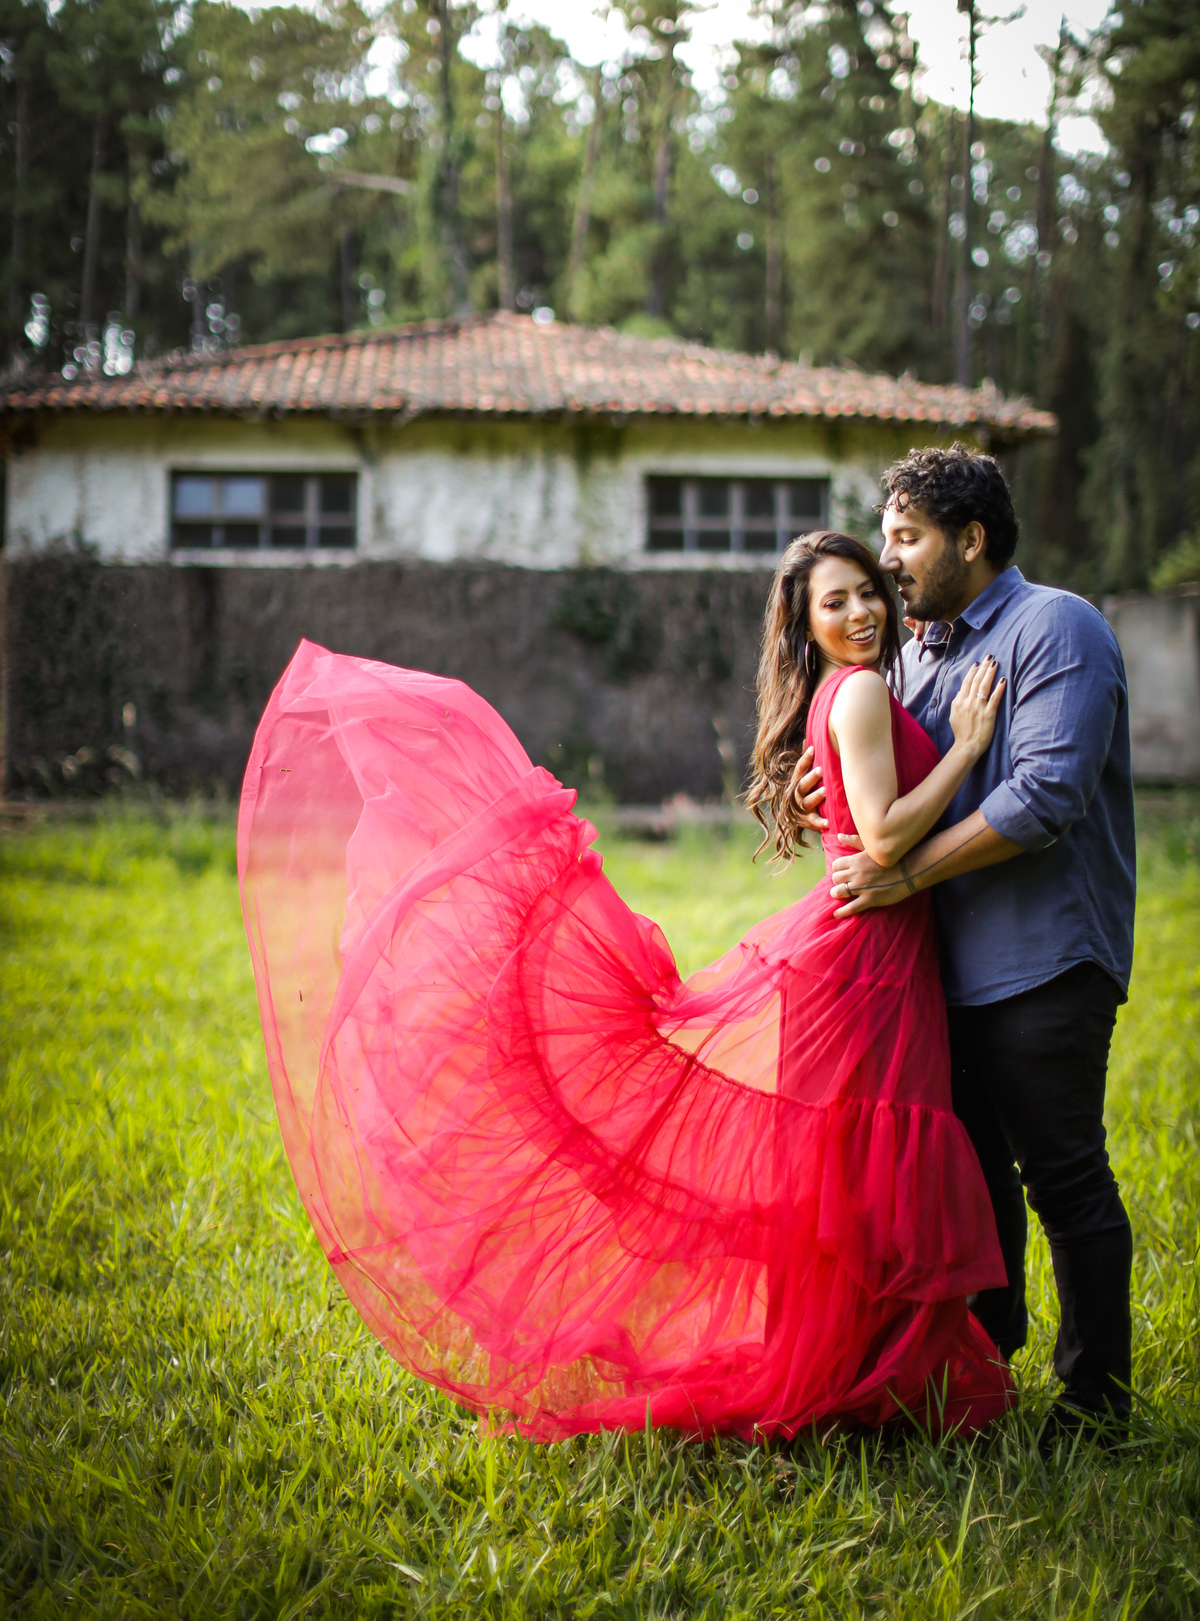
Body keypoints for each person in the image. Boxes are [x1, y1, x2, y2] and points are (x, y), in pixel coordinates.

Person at [238, 532, 1014, 1442]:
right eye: (833, 602)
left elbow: (856, 818)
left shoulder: (842, 695)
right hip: (867, 960)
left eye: (867, 592)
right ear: (805, 627)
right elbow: (884, 841)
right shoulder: (864, 692)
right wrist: (965, 751)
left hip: (861, 952)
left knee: (843, 1181)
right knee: (858, 1174)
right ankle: (854, 1385)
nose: (860, 612)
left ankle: (851, 1379)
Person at [795, 446, 1136, 1448]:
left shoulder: (1056, 627)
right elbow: (880, 779)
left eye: (906, 538)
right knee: (972, 1183)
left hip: (1045, 960)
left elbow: (1044, 799)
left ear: (971, 540)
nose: (890, 560)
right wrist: (822, 790)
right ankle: (983, 1377)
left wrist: (901, 875)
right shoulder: (913, 656)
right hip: (938, 972)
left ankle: (1096, 1401)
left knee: (1063, 1178)